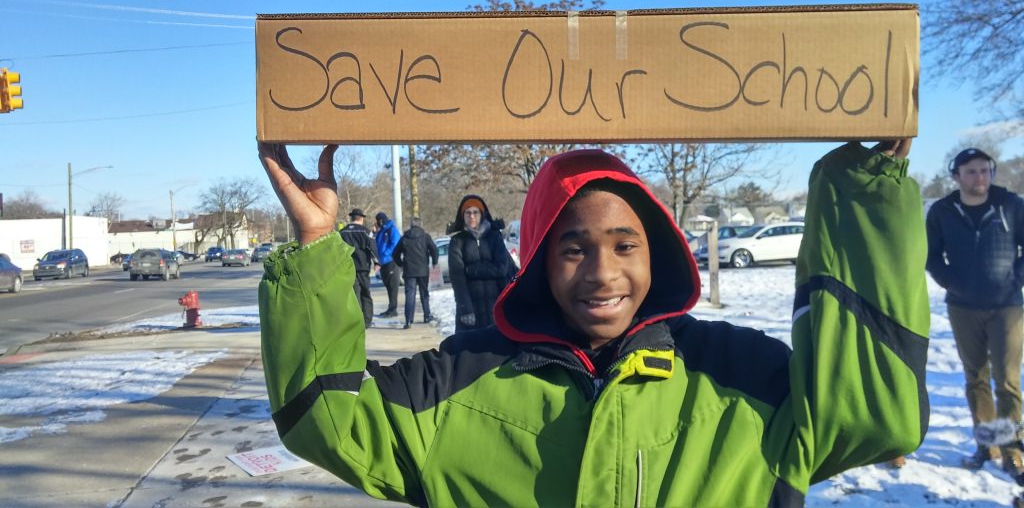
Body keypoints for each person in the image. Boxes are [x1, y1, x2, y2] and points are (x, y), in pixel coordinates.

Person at [257, 140, 927, 507]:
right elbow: (329, 420)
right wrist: (316, 245)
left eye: (624, 245)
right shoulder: (461, 379)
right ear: (541, 262)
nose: (602, 273)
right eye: (573, 248)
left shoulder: (742, 375)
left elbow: (875, 415)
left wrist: (862, 200)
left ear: (656, 251)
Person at [926, 147, 1024, 478]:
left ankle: (1012, 450)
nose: (979, 177)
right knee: (976, 379)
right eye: (970, 171)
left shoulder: (1011, 205)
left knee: (1007, 381)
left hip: (1007, 307)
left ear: (992, 172)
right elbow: (932, 255)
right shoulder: (942, 211)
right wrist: (952, 281)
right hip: (963, 308)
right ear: (956, 176)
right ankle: (987, 444)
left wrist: (1016, 278)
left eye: (984, 170)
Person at [448, 195, 515, 333]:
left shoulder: (494, 237)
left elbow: (502, 268)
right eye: (468, 213)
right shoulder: (457, 241)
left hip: (496, 306)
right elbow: (457, 278)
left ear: (482, 215)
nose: (471, 216)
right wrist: (465, 308)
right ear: (463, 216)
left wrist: (471, 270)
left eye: (475, 212)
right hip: (470, 307)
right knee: (468, 351)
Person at [393, 217, 439, 329]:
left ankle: (408, 320)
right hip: (423, 270)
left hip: (409, 271)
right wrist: (434, 261)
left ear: (411, 226)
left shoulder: (405, 238)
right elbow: (434, 249)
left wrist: (401, 264)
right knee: (424, 294)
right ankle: (427, 316)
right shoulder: (425, 237)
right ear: (420, 225)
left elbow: (395, 253)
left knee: (410, 295)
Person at [338, 208, 378, 328]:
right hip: (363, 267)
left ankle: (355, 320)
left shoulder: (342, 232)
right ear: (361, 218)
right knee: (365, 293)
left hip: (348, 268)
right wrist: (377, 262)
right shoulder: (366, 231)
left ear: (351, 218)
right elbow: (372, 247)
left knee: (353, 294)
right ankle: (367, 320)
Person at [374, 211, 402, 318]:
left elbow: (395, 244)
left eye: (378, 221)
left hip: (391, 262)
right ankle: (390, 308)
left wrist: (385, 254)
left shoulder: (392, 229)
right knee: (388, 286)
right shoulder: (380, 232)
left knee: (392, 287)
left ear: (381, 220)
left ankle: (393, 309)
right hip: (383, 263)